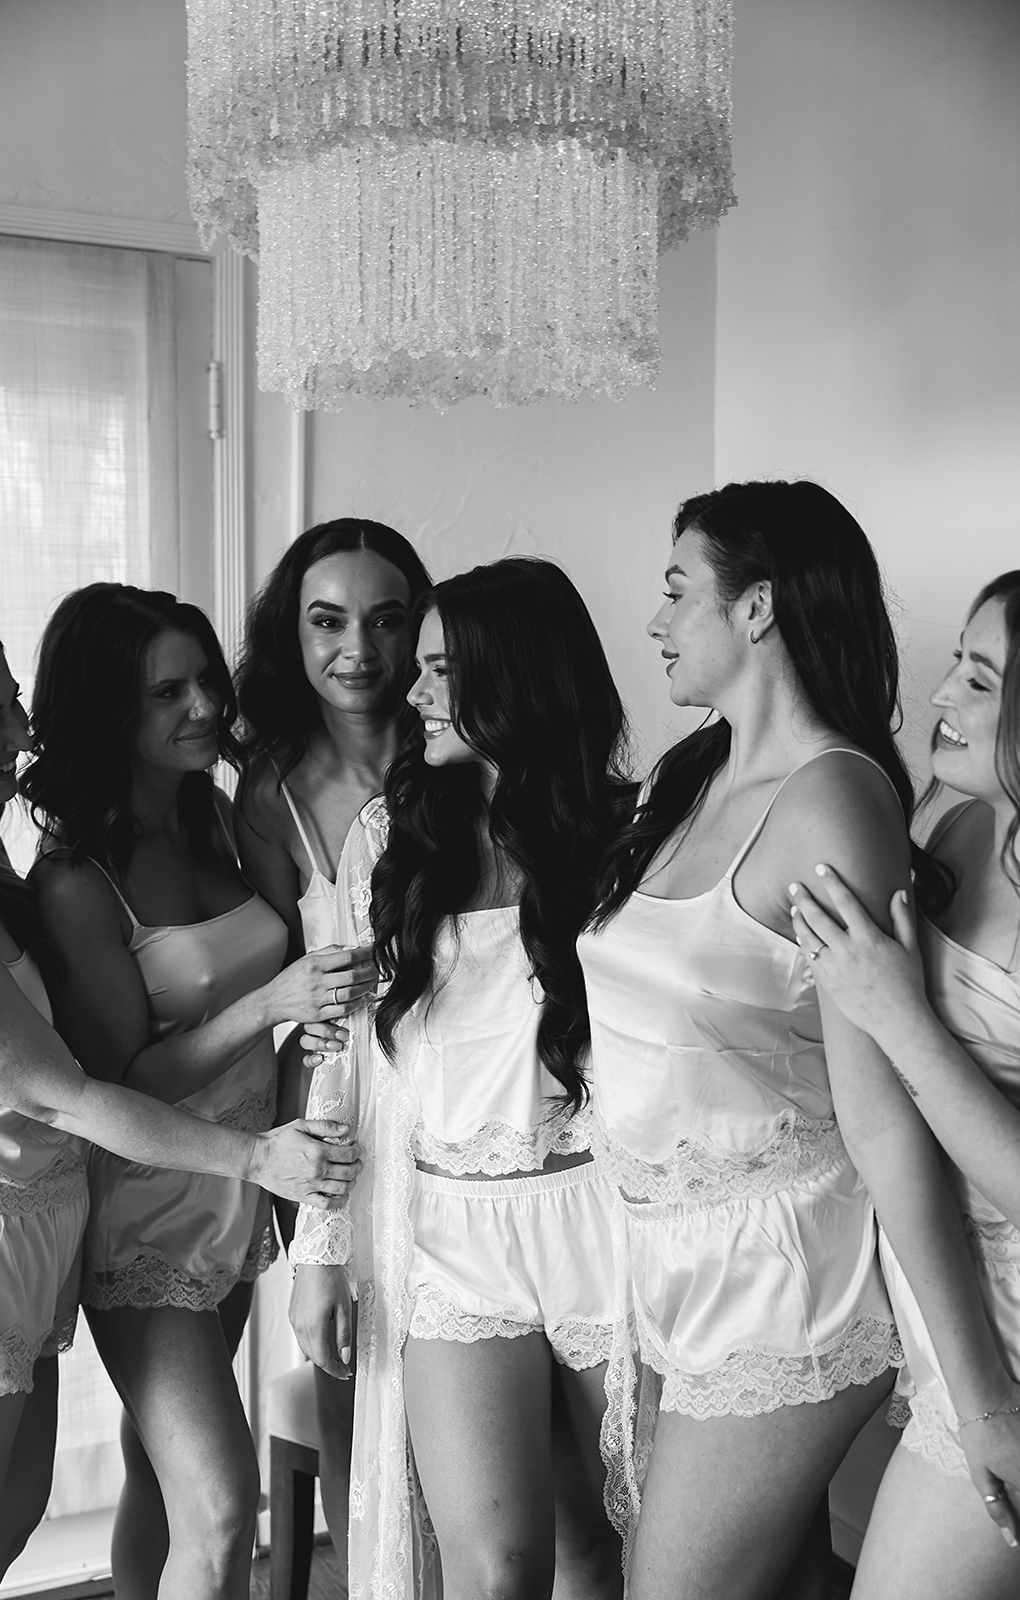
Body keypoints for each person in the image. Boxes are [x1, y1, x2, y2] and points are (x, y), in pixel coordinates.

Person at [577, 480, 1011, 1600]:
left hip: (774, 1279)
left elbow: (876, 1114)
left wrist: (980, 1398)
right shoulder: (690, 774)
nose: (655, 620)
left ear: (757, 606)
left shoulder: (833, 804)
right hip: (662, 1261)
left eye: (678, 591)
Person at [0, 607, 358, 1600]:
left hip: (195, 1195)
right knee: (220, 1510)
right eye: (167, 692)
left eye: (205, 683)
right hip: (129, 1201)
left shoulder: (211, 819)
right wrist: (267, 1019)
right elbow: (94, 1084)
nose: (203, 708)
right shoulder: (68, 880)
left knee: (75, 1494)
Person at [290, 558, 632, 1600]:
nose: (415, 689)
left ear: (515, 680)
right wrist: (321, 1251)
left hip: (599, 1224)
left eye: (441, 668)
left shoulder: (627, 836)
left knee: (609, 1540)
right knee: (497, 1568)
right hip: (444, 1237)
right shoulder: (390, 839)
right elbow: (339, 1060)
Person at [789, 569, 1020, 1598]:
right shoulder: (951, 817)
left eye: (977, 678)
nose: (940, 696)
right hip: (942, 1290)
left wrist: (894, 1013)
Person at [234, 517, 431, 1570]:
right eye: (327, 621)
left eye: (386, 619)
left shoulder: (453, 747)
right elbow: (270, 982)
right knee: (357, 1412)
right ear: (293, 633)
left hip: (459, 1102)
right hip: (330, 1116)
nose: (358, 649)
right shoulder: (265, 792)